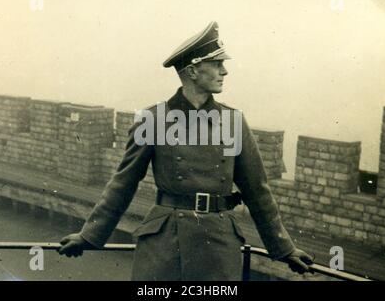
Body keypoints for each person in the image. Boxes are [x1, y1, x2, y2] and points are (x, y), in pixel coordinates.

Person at [58, 21, 313, 280]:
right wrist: (89, 235)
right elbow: (123, 183)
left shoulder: (234, 122)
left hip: (219, 244)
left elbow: (257, 191)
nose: (224, 71)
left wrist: (284, 248)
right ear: (193, 71)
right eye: (216, 64)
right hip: (165, 243)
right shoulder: (153, 119)